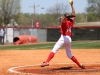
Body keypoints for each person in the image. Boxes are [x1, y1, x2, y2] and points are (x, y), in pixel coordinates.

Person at [41, 1, 85, 69]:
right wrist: (72, 5)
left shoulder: (65, 22)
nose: (62, 17)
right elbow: (74, 13)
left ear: (66, 18)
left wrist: (66, 16)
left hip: (63, 38)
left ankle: (47, 62)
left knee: (54, 50)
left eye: (63, 16)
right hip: (69, 39)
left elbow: (64, 20)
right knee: (69, 54)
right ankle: (80, 64)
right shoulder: (71, 21)